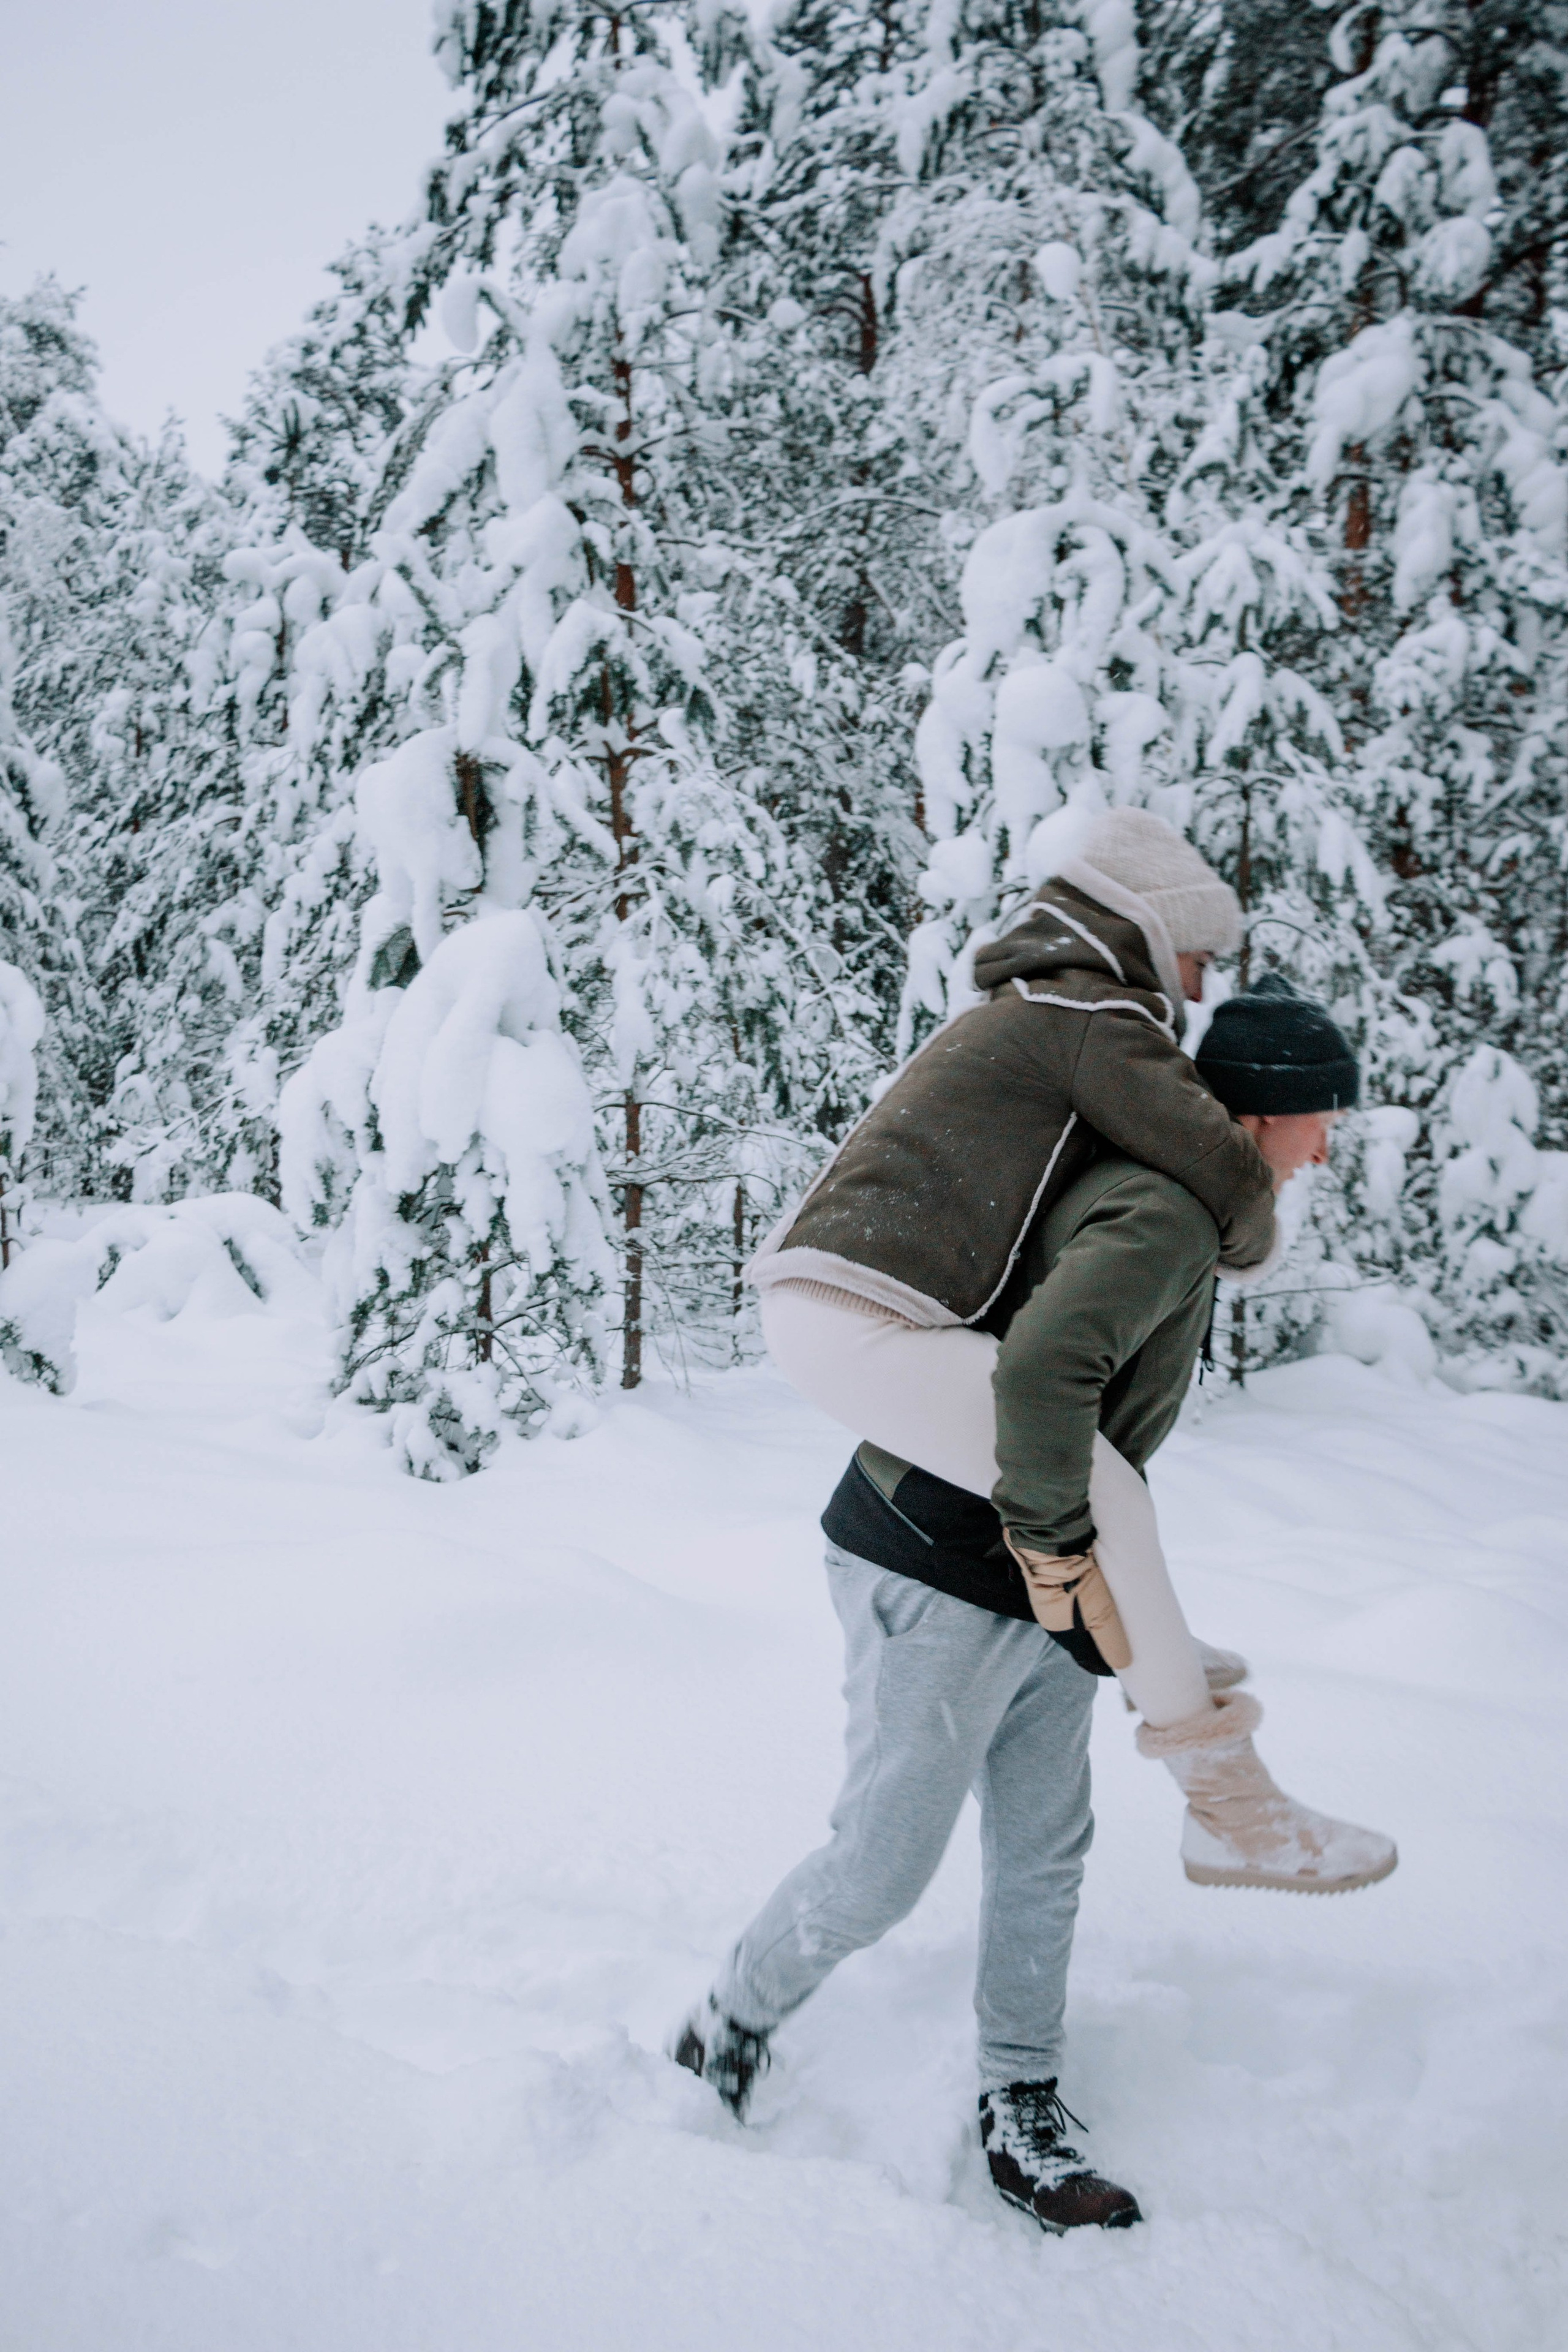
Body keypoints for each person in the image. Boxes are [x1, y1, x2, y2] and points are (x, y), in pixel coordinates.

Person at [670, 820, 1396, 2238]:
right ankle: (727, 2019)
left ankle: (1020, 2094)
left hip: (1028, 1569)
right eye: (1321, 1122)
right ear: (1263, 1114)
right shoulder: (1161, 1209)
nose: (1323, 1152)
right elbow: (1047, 1377)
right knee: (883, 1859)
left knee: (1043, 1852)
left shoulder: (1162, 1190)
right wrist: (1071, 1552)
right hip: (937, 1557)